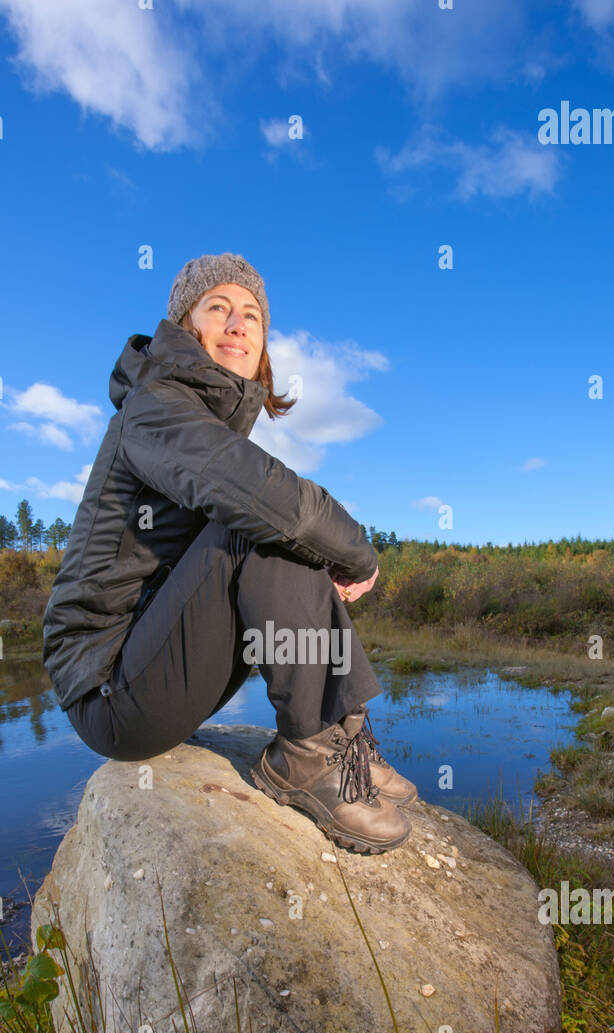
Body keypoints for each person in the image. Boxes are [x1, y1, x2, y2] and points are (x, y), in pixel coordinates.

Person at [41, 252, 417, 853]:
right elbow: (268, 500)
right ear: (184, 327)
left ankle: (343, 739)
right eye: (218, 308)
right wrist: (357, 554)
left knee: (278, 524)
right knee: (264, 520)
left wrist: (325, 555)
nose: (238, 324)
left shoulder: (197, 416)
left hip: (154, 659)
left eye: (252, 315)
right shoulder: (156, 406)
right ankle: (306, 755)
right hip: (108, 688)